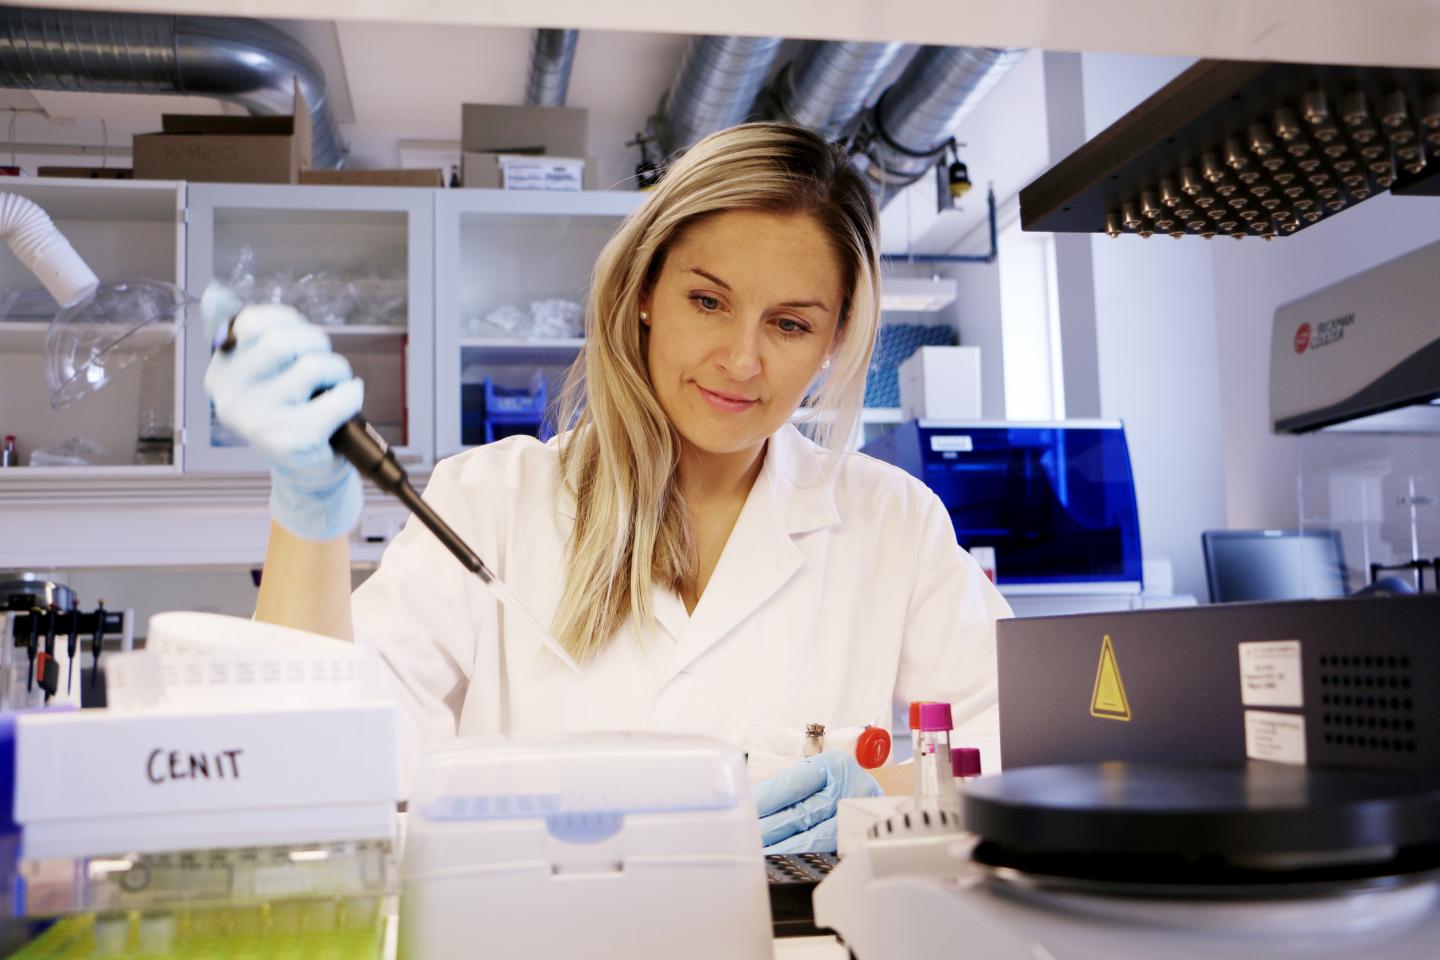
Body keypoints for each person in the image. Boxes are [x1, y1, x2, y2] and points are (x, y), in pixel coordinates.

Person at [204, 122, 1010, 854]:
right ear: (646, 293)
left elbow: (1023, 751)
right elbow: (321, 756)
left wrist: (884, 800)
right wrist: (306, 512)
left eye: (790, 324)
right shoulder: (493, 501)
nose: (741, 360)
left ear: (834, 340)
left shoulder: (892, 523)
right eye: (708, 301)